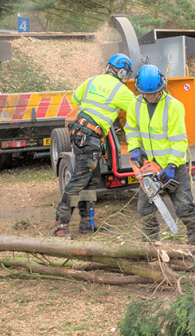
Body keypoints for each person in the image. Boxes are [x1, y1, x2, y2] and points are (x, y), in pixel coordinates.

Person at [124, 65, 195, 246]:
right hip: (149, 169)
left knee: (184, 208)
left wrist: (172, 165)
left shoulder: (173, 106)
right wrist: (134, 148)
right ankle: (150, 247)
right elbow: (131, 129)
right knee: (145, 211)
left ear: (161, 87)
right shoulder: (135, 104)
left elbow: (179, 141)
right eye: (146, 93)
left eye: (153, 93)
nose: (149, 96)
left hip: (173, 169)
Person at [54, 53, 136, 237]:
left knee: (91, 180)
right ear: (122, 72)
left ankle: (87, 221)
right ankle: (61, 225)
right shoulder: (120, 90)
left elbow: (76, 99)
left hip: (82, 134)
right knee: (78, 182)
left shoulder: (91, 81)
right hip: (90, 136)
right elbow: (139, 110)